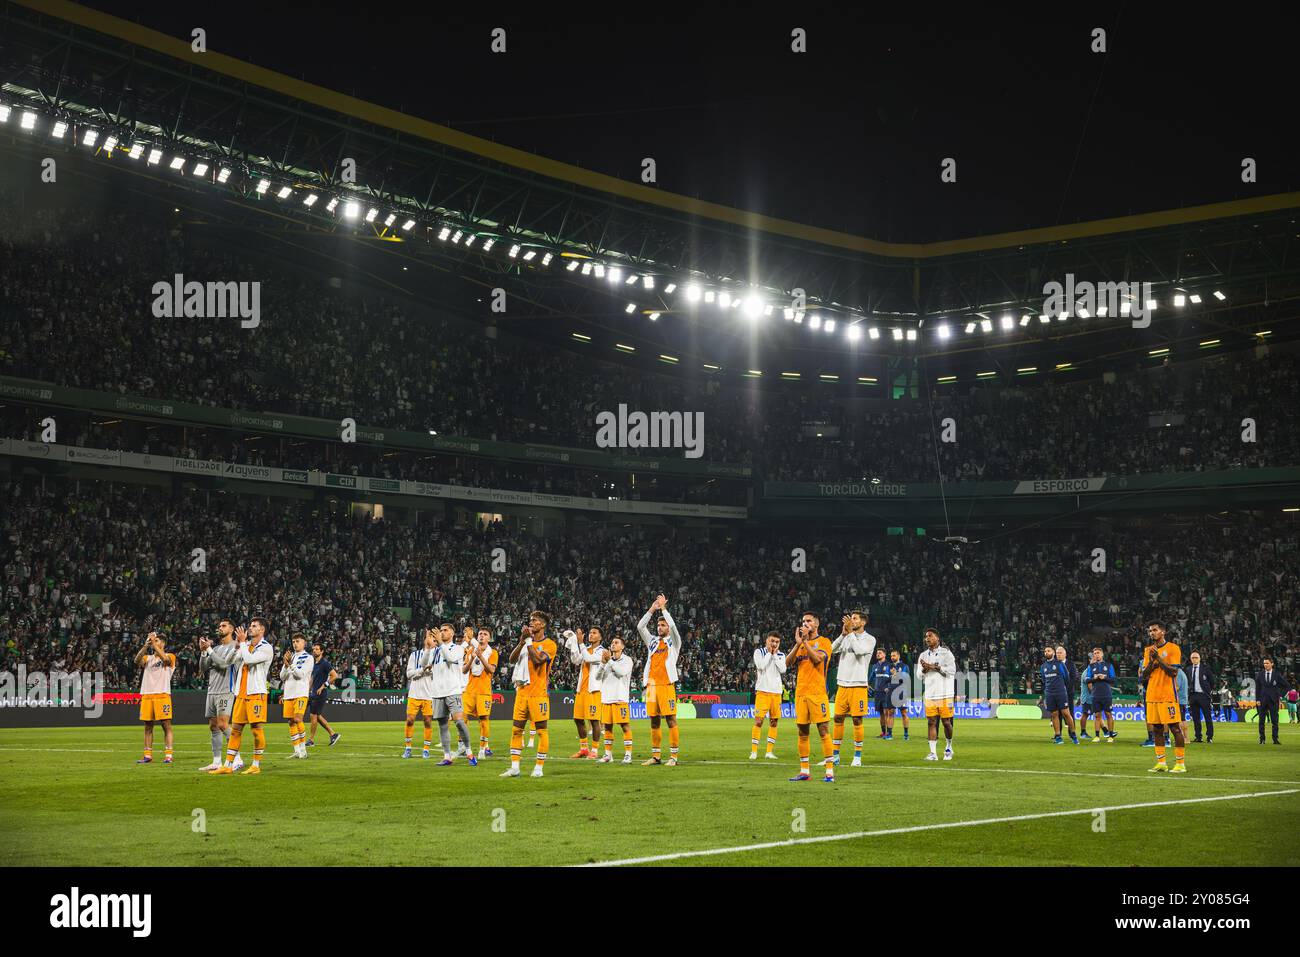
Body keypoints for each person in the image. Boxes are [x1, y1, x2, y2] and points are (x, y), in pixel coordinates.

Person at [210, 618, 274, 775]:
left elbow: (250, 660)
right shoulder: (247, 646)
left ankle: (255, 765)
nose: (250, 628)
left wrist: (243, 644)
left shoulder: (266, 648)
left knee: (256, 729)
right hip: (241, 693)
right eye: (250, 626)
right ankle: (228, 765)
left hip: (256, 694)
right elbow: (229, 661)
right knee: (236, 730)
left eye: (254, 626)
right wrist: (237, 647)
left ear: (262, 630)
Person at [501, 611, 556, 778]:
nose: (531, 622)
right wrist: (521, 643)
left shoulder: (550, 644)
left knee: (541, 731)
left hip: (538, 694)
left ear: (543, 625)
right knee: (516, 730)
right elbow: (511, 660)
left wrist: (529, 641)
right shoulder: (526, 643)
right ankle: (515, 767)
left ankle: (538, 767)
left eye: (535, 620)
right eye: (530, 620)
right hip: (522, 693)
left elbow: (539, 660)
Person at [637, 594, 684, 766]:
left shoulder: (675, 642)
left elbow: (674, 626)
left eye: (662, 625)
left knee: (670, 719)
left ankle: (673, 757)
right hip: (651, 686)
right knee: (654, 720)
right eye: (658, 624)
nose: (659, 627)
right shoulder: (652, 642)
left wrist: (664, 608)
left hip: (666, 686)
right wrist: (652, 609)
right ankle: (656, 756)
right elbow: (640, 626)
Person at [788, 612, 834, 782]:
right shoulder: (801, 644)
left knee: (823, 730)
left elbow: (817, 660)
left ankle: (829, 772)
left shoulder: (824, 642)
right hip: (801, 693)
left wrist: (805, 642)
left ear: (816, 624)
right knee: (802, 732)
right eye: (803, 621)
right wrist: (797, 644)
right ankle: (804, 771)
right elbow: (787, 663)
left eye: (808, 621)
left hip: (818, 693)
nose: (805, 623)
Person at [830, 611, 876, 767]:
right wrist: (843, 635)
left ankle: (857, 756)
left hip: (858, 684)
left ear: (863, 622)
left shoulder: (870, 639)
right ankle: (835, 755)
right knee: (837, 718)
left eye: (855, 619)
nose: (851, 621)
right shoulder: (847, 636)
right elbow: (831, 649)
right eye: (851, 618)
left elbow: (858, 651)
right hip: (842, 684)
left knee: (857, 719)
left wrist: (849, 634)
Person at [1140, 621, 1186, 773]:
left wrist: (1158, 659)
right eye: (1150, 631)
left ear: (1163, 632)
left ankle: (1180, 764)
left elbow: (1173, 672)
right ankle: (1161, 763)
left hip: (1168, 695)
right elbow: (1144, 676)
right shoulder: (1148, 650)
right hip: (1152, 695)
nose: (1151, 633)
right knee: (1157, 730)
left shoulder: (1173, 648)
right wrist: (1152, 662)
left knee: (1175, 728)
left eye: (1155, 630)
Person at [198, 619, 240, 771]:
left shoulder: (235, 646)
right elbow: (203, 668)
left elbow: (223, 664)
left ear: (232, 628)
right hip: (212, 690)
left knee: (223, 724)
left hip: (225, 690)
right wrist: (203, 651)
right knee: (213, 726)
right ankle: (216, 761)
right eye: (219, 626)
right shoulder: (216, 648)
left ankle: (237, 757)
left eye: (224, 626)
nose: (220, 628)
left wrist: (209, 650)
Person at [431, 625, 475, 767]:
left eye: (445, 630)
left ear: (452, 633)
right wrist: (428, 647)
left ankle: (469, 751)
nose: (442, 632)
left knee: (459, 722)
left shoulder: (458, 648)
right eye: (441, 630)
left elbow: (450, 658)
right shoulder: (436, 650)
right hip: (438, 692)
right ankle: (447, 756)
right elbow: (425, 664)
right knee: (443, 726)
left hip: (453, 691)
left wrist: (440, 643)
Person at [135, 631, 176, 765]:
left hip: (162, 695)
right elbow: (136, 660)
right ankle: (147, 755)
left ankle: (168, 755)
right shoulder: (148, 658)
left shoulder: (170, 656)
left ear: (163, 644)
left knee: (166, 725)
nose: (154, 643)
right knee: (148, 727)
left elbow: (165, 660)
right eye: (154, 641)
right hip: (147, 695)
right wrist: (146, 646)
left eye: (157, 641)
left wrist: (153, 644)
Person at [566, 626, 605, 759]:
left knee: (594, 721)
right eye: (590, 633)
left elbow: (588, 659)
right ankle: (584, 749)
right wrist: (573, 643)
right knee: (577, 719)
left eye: (594, 633)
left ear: (600, 637)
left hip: (593, 690)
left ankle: (594, 750)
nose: (591, 635)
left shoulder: (602, 651)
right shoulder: (586, 649)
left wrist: (581, 642)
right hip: (581, 689)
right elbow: (576, 660)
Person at [595, 636, 635, 763]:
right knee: (607, 727)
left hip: (620, 698)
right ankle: (608, 755)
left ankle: (628, 754)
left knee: (625, 726)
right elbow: (597, 677)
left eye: (616, 642)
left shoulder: (627, 660)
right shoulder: (607, 661)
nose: (613, 644)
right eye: (612, 642)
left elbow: (621, 672)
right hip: (606, 698)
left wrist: (609, 662)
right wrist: (602, 663)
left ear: (622, 646)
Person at [919, 628, 956, 761]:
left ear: (937, 638)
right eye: (926, 637)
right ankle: (933, 753)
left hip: (946, 693)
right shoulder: (923, 655)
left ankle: (948, 747)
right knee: (931, 722)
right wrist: (924, 669)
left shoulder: (946, 653)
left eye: (930, 636)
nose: (927, 638)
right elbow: (919, 676)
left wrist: (935, 667)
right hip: (930, 694)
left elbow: (952, 671)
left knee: (946, 722)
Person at [463, 625, 498, 759]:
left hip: (484, 691)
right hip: (470, 690)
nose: (482, 635)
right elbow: (464, 670)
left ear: (489, 638)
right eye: (480, 634)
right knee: (463, 718)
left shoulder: (493, 652)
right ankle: (466, 748)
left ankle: (483, 748)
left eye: (485, 634)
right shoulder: (470, 650)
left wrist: (480, 656)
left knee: (483, 720)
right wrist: (472, 657)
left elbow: (492, 670)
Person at [750, 632, 786, 760]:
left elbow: (783, 670)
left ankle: (769, 752)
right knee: (759, 721)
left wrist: (775, 655)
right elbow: (760, 665)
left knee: (774, 722)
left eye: (777, 642)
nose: (774, 644)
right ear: (767, 641)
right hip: (762, 691)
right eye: (772, 641)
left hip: (776, 693)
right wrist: (770, 653)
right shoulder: (759, 652)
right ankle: (754, 751)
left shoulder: (781, 655)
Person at [403, 629, 437, 759]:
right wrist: (422, 670)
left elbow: (438, 675)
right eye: (429, 638)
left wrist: (431, 671)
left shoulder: (438, 656)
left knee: (428, 722)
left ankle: (426, 749)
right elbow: (408, 674)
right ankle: (408, 748)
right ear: (424, 640)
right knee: (410, 720)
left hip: (429, 695)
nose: (431, 641)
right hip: (414, 694)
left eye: (434, 640)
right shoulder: (414, 655)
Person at [279, 633, 314, 759]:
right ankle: (297, 751)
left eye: (298, 641)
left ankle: (304, 750)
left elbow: (300, 675)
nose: (295, 644)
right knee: (291, 722)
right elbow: (282, 677)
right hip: (288, 693)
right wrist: (285, 664)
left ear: (304, 643)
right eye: (293, 641)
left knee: (298, 719)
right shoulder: (291, 657)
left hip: (300, 693)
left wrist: (290, 665)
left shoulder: (308, 658)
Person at [1040, 646, 1078, 744]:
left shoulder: (1059, 664)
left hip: (1061, 692)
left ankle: (1073, 734)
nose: (1046, 652)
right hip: (1049, 694)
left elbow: (1067, 677)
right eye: (1045, 651)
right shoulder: (1043, 666)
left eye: (1048, 650)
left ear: (1053, 652)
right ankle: (1058, 736)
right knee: (1054, 714)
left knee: (1066, 713)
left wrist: (1061, 687)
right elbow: (1044, 680)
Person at [305, 641, 340, 747]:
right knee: (317, 716)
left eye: (316, 649)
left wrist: (323, 685)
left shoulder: (324, 663)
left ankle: (311, 740)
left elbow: (335, 676)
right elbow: (312, 679)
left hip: (320, 693)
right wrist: (307, 690)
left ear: (322, 651)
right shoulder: (314, 664)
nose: (314, 651)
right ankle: (333, 734)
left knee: (313, 716)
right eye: (313, 649)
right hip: (313, 693)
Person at [1082, 648, 1117, 741]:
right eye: (1094, 653)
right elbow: (1086, 680)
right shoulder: (1091, 666)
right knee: (1097, 715)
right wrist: (1095, 678)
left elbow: (1113, 679)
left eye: (1098, 653)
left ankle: (1110, 736)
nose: (1096, 655)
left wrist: (1104, 677)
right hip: (1095, 694)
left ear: (1102, 654)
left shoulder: (1109, 666)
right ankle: (1097, 736)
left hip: (1106, 694)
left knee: (1108, 714)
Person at [1254, 658, 1290, 745]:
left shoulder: (1277, 675)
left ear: (1272, 664)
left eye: (1267, 663)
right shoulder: (1260, 674)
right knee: (1261, 721)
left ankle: (1275, 739)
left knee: (1274, 721)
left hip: (1273, 701)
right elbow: (1257, 688)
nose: (1265, 665)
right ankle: (1262, 739)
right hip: (1262, 701)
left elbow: (1287, 686)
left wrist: (1280, 695)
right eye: (1264, 663)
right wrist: (1257, 700)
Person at [1186, 651, 1216, 743]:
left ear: (1200, 659)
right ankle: (1198, 736)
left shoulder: (1206, 669)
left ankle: (1209, 737)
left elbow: (1212, 682)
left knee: (1207, 717)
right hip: (1193, 695)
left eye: (1196, 657)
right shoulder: (1188, 669)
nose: (1194, 659)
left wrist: (1207, 692)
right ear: (1191, 659)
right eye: (1193, 658)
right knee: (1195, 718)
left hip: (1203, 696)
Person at [886, 650, 912, 740]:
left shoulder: (904, 666)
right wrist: (892, 677)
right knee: (890, 713)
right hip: (891, 691)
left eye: (894, 655)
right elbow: (886, 679)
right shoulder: (889, 666)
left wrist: (895, 674)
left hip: (901, 692)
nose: (892, 657)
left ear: (898, 656)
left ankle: (906, 734)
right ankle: (889, 734)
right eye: (891, 656)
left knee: (904, 713)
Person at [868, 649, 891, 739]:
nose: (878, 654)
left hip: (886, 693)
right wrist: (868, 685)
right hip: (877, 693)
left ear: (884, 655)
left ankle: (888, 733)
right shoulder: (875, 666)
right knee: (881, 713)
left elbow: (893, 678)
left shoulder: (889, 665)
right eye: (877, 653)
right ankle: (883, 732)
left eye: (880, 653)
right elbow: (871, 678)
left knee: (886, 712)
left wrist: (889, 687)